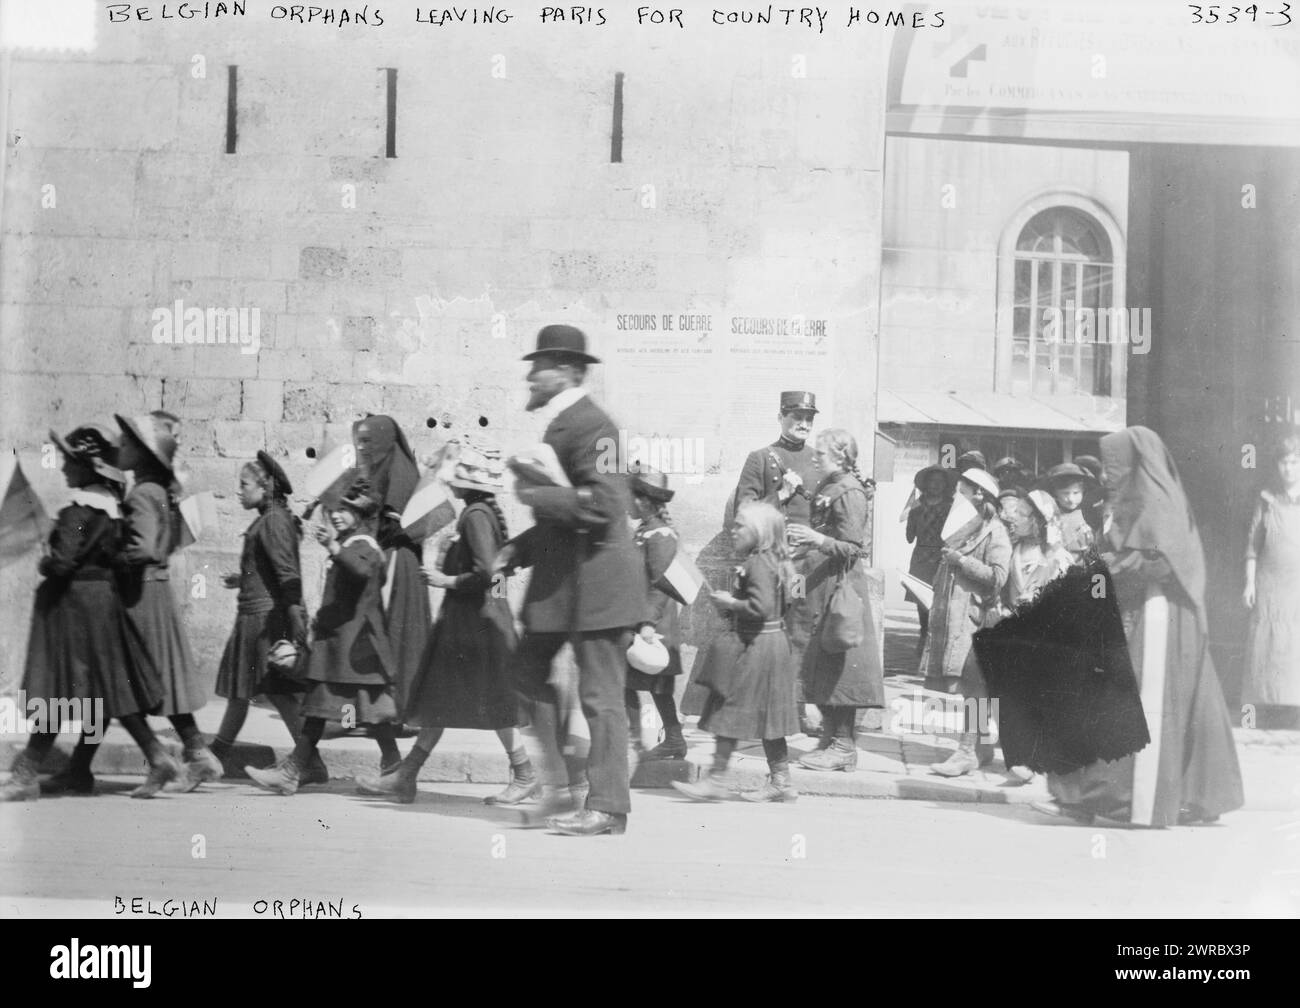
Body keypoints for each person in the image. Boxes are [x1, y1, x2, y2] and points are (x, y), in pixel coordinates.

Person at [1035, 426, 1244, 826]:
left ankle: (1104, 799)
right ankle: (1187, 798)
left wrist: (1103, 569)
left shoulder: (1156, 503)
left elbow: (1159, 563)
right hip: (1148, 615)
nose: (1107, 473)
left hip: (1156, 616)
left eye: (1113, 463)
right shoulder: (1137, 499)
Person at [495, 324, 647, 837]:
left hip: (599, 585)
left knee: (601, 698)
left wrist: (535, 496)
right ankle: (563, 784)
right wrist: (516, 550)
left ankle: (607, 807)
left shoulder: (599, 427)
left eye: (538, 367)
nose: (530, 377)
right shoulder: (563, 424)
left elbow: (604, 505)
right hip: (565, 587)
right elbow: (565, 516)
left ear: (567, 371)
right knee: (525, 672)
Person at [1, 425, 181, 802]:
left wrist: (46, 563)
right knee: (103, 691)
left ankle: (26, 772)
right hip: (103, 602)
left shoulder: (78, 511)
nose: (65, 469)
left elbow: (65, 562)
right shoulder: (111, 511)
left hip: (74, 609)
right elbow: (116, 557)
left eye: (70, 462)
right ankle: (90, 767)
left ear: (88, 467)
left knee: (58, 689)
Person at [356, 442, 534, 804]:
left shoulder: (475, 516)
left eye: (455, 477)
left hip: (474, 625)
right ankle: (406, 776)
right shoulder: (479, 512)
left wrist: (445, 580)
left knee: (489, 701)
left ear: (468, 484)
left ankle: (525, 774)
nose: (448, 482)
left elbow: (487, 572)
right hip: (471, 621)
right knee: (440, 698)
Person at [247, 478, 398, 795]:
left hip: (355, 649)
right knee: (344, 710)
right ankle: (395, 772)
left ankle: (394, 774)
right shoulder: (350, 544)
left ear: (362, 515)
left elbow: (360, 572)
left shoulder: (365, 546)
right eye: (335, 510)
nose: (338, 515)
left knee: (358, 712)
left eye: (346, 510)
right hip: (343, 649)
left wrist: (332, 547)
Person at [114, 413, 223, 792]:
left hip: (139, 594)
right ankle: (198, 754)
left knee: (122, 681)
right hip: (154, 590)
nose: (119, 447)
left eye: (126, 444)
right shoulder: (159, 492)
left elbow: (142, 547)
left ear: (143, 456)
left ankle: (162, 758)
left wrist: (112, 558)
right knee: (161, 678)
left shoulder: (143, 493)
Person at [672, 501, 800, 803]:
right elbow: (787, 604)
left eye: (741, 524)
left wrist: (730, 603)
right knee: (768, 715)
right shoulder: (777, 559)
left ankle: (716, 780)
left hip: (756, 647)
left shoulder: (757, 562)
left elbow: (761, 607)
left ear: (758, 530)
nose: (734, 529)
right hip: (773, 643)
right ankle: (781, 780)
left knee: (727, 709)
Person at [210, 453, 325, 784]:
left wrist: (295, 621)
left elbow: (288, 574)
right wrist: (244, 577)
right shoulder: (269, 518)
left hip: (263, 621)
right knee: (245, 691)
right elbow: (271, 568)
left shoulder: (273, 521)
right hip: (254, 615)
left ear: (265, 486)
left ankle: (309, 762)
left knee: (277, 693)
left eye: (244, 485)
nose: (239, 492)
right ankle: (215, 756)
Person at [726, 391, 822, 735]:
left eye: (809, 418)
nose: (804, 424)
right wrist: (781, 495)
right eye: (797, 417)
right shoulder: (761, 459)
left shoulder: (818, 460)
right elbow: (745, 511)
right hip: (771, 565)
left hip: (803, 567)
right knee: (767, 631)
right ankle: (763, 709)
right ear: (781, 416)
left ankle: (797, 707)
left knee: (799, 631)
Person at [791, 429, 883, 772]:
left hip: (839, 590)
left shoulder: (849, 491)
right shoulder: (831, 485)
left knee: (839, 667)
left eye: (821, 454)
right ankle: (830, 740)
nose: (815, 458)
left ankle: (843, 745)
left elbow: (854, 547)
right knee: (822, 664)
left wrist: (816, 539)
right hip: (820, 586)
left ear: (842, 457)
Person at [924, 468, 1011, 776]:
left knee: (975, 688)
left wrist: (961, 561)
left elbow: (998, 577)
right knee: (975, 688)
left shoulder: (995, 531)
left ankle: (966, 752)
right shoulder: (968, 525)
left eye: (961, 490)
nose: (956, 496)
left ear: (978, 494)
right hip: (957, 617)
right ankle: (982, 748)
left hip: (978, 621)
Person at [353, 415, 431, 726]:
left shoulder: (398, 471)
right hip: (389, 557)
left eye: (368, 440)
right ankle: (384, 709)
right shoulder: (383, 467)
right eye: (360, 440)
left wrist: (364, 508)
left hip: (398, 561)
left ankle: (400, 710)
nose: (362, 446)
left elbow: (394, 521)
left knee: (397, 632)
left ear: (385, 439)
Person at [994, 489, 1073, 784]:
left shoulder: (1055, 557)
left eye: (1024, 514)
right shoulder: (1015, 549)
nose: (1015, 517)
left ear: (1040, 522)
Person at [624, 468, 689, 763]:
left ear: (644, 501)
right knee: (633, 683)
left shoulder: (660, 534)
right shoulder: (646, 529)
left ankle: (658, 740)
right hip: (644, 620)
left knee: (654, 687)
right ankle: (639, 739)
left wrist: (648, 622)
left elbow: (661, 584)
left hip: (656, 624)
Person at [1242, 429, 1300, 729]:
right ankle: (1265, 709)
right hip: (1269, 583)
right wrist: (1250, 583)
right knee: (1268, 646)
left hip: (1297, 586)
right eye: (1284, 463)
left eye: (1294, 462)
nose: (1288, 468)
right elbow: (1253, 545)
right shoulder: (1266, 500)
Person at [904, 465, 955, 656]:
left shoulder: (951, 506)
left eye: (940, 482)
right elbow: (909, 536)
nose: (936, 485)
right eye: (932, 481)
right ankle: (924, 634)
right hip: (921, 557)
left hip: (942, 556)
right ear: (926, 484)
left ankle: (938, 640)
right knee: (921, 599)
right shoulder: (917, 505)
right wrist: (911, 515)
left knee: (942, 599)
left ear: (945, 485)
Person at [1041, 462, 1097, 563]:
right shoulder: (1051, 516)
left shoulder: (1088, 515)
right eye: (1065, 493)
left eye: (1076, 493)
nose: (1071, 499)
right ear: (1055, 493)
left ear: (1083, 492)